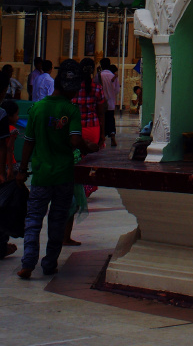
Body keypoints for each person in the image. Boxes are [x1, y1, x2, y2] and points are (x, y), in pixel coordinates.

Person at [16, 59, 87, 279]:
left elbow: (29, 142)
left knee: (33, 219)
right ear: (71, 89)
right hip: (63, 174)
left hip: (41, 174)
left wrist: (22, 169)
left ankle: (28, 262)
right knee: (57, 219)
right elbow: (75, 141)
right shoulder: (71, 110)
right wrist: (88, 147)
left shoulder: (38, 108)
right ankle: (49, 263)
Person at [0, 99, 20, 260]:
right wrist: (9, 171)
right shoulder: (11, 130)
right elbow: (8, 149)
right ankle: (2, 245)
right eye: (17, 114)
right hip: (7, 170)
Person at [98, 59, 121, 149]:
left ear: (101, 65)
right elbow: (117, 90)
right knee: (111, 120)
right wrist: (111, 95)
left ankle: (101, 138)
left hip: (101, 103)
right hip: (111, 103)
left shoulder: (99, 75)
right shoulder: (113, 76)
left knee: (101, 120)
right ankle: (112, 136)